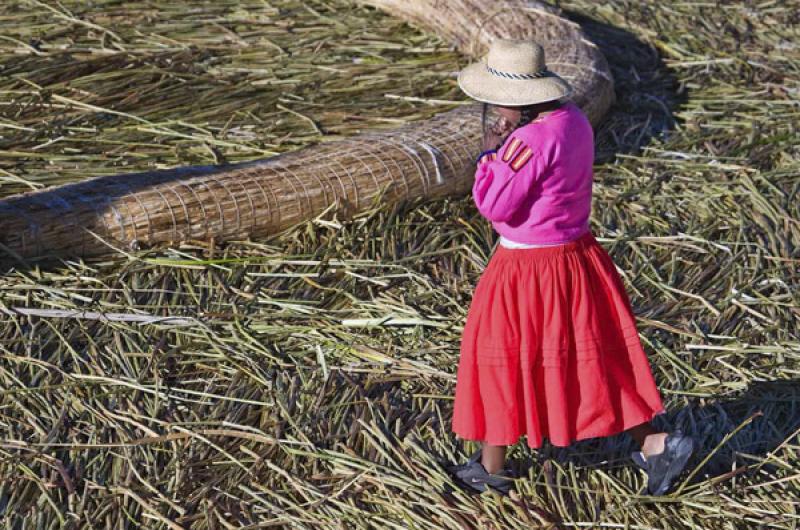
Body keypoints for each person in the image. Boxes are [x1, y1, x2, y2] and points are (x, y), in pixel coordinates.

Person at [447, 38, 695, 496]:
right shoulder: (573, 119)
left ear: (516, 100)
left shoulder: (526, 141)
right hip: (578, 258)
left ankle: (491, 469)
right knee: (596, 358)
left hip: (527, 269)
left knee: (498, 358)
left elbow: (494, 204)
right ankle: (657, 443)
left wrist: (489, 157)